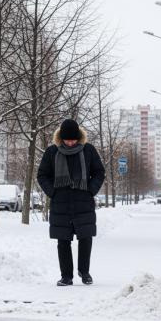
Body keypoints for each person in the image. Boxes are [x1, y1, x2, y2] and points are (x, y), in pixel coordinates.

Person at [37, 119, 106, 286]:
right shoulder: (52, 152)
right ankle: (66, 276)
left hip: (84, 202)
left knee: (86, 238)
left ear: (78, 137)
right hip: (60, 203)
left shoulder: (88, 150)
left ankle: (85, 272)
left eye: (72, 139)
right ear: (60, 138)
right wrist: (53, 192)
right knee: (63, 240)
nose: (69, 143)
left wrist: (90, 190)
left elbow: (99, 172)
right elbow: (42, 175)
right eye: (66, 140)